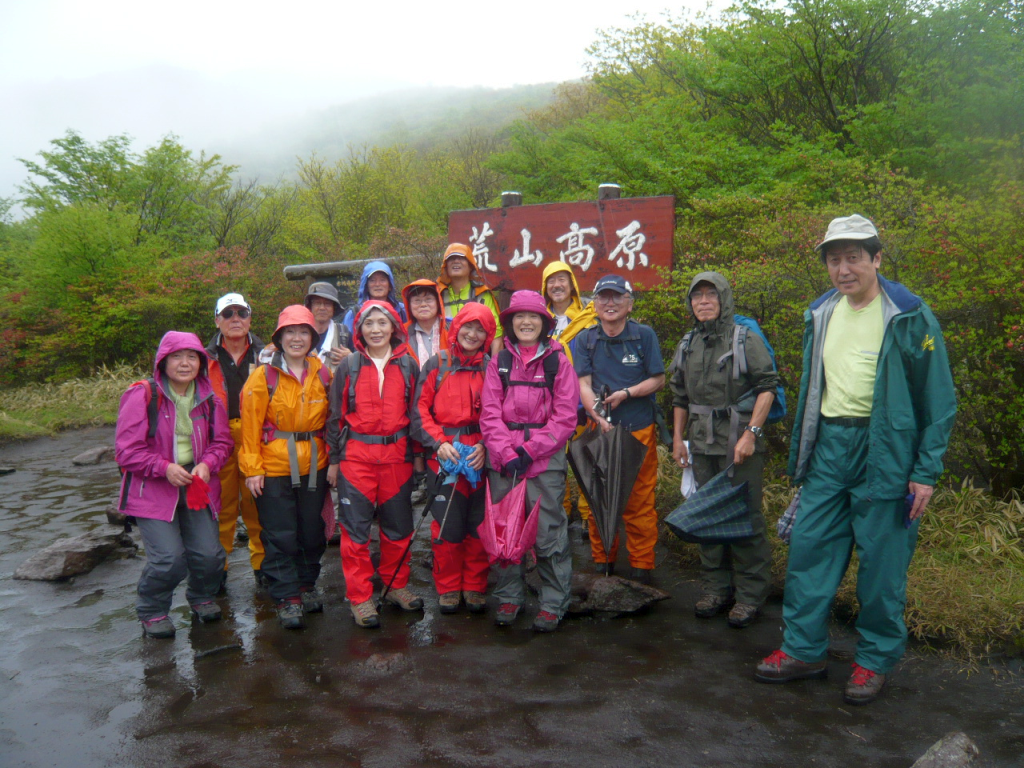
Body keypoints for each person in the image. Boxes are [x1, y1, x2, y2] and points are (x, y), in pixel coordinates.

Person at [755, 214, 957, 705]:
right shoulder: (822, 311)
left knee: (882, 567)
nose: (844, 268)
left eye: (854, 257)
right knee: (809, 551)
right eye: (834, 259)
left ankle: (873, 660)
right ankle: (804, 649)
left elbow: (939, 399)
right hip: (829, 447)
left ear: (876, 259)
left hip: (886, 450)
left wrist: (925, 471)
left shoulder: (908, 315)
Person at [669, 272, 778, 628]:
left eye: (710, 295)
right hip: (701, 443)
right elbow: (679, 397)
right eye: (696, 296)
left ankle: (749, 596)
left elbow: (768, 386)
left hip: (739, 441)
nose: (703, 301)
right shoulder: (688, 344)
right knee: (706, 515)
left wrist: (751, 434)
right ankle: (716, 589)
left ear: (724, 299)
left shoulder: (745, 338)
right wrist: (677, 439)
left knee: (744, 518)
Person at [115, 331, 235, 639]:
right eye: (177, 357)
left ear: (201, 362)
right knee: (169, 558)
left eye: (192, 357)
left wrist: (208, 463)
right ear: (162, 362)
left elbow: (222, 442)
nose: (185, 363)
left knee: (210, 555)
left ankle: (201, 597)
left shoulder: (210, 399)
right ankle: (153, 611)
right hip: (153, 487)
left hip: (197, 484)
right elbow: (126, 450)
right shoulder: (142, 394)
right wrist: (163, 467)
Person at [480, 290, 580, 632]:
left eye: (533, 317)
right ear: (509, 323)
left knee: (548, 533)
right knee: (505, 530)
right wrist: (508, 453)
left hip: (544, 461)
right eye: (519, 317)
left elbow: (566, 417)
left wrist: (529, 450)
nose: (526, 322)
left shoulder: (558, 362)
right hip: (503, 461)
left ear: (544, 323)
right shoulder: (499, 362)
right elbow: (490, 413)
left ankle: (553, 601)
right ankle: (510, 596)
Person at [327, 300, 423, 628]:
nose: (376, 330)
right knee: (355, 532)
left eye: (382, 323)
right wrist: (334, 461)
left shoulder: (409, 365)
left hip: (397, 458)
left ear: (394, 327)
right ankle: (360, 597)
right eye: (369, 324)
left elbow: (416, 415)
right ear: (360, 330)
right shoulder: (348, 366)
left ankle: (396, 584)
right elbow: (335, 417)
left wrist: (419, 458)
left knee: (398, 527)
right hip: (357, 458)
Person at [240, 305, 331, 630]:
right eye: (289, 332)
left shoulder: (322, 372)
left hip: (315, 464)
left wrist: (333, 464)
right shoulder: (262, 376)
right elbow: (250, 426)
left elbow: (333, 421)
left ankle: (307, 585)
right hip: (273, 467)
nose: (296, 338)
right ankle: (287, 596)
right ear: (279, 338)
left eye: (303, 332)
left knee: (312, 531)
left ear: (312, 337)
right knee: (280, 535)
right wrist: (252, 468)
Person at [575, 275, 666, 583]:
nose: (609, 304)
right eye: (603, 298)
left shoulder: (644, 336)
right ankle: (603, 560)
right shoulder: (585, 339)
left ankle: (642, 564)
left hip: (638, 427)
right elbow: (583, 385)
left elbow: (658, 379)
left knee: (639, 500)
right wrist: (598, 416)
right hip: (598, 429)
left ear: (629, 303)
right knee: (598, 495)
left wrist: (627, 393)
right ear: (594, 304)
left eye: (617, 297)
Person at [411, 303, 495, 613]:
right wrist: (437, 443)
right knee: (447, 524)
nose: (473, 334)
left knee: (478, 522)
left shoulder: (490, 368)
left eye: (480, 329)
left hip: (478, 454)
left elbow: (497, 413)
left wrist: (487, 444)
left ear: (488, 335)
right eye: (468, 327)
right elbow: (419, 409)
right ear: (456, 328)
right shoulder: (437, 364)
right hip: (443, 455)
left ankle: (474, 585)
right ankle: (448, 587)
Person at [206, 292, 266, 591]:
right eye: (228, 314)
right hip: (217, 439)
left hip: (257, 438)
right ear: (217, 320)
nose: (235, 320)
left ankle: (261, 565)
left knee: (258, 504)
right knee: (222, 506)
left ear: (250, 318)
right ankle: (219, 567)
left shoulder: (266, 353)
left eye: (241, 313)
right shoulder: (205, 358)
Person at [541, 261, 596, 535]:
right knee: (553, 462)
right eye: (551, 281)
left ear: (572, 283)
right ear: (545, 287)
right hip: (547, 405)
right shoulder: (538, 320)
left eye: (562, 279)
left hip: (581, 401)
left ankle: (588, 515)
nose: (557, 285)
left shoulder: (588, 317)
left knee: (585, 460)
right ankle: (560, 511)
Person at [437, 243, 503, 356]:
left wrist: (494, 369)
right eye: (451, 259)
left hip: (477, 361)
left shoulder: (482, 295)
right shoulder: (438, 295)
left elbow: (496, 336)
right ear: (445, 266)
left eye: (461, 258)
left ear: (471, 265)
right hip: (446, 361)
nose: (456, 261)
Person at [341, 260, 407, 341]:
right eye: (372, 280)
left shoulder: (403, 311)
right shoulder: (354, 313)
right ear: (366, 286)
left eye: (382, 280)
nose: (377, 284)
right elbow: (345, 343)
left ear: (390, 285)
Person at [304, 281, 352, 372]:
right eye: (317, 303)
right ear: (310, 307)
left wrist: (351, 358)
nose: (322, 308)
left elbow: (362, 363)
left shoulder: (344, 334)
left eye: (327, 303)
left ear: (334, 308)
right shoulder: (299, 334)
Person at [402, 278, 450, 366]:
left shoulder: (451, 330)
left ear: (438, 302)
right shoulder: (401, 334)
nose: (423, 305)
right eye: (417, 300)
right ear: (409, 305)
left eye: (428, 299)